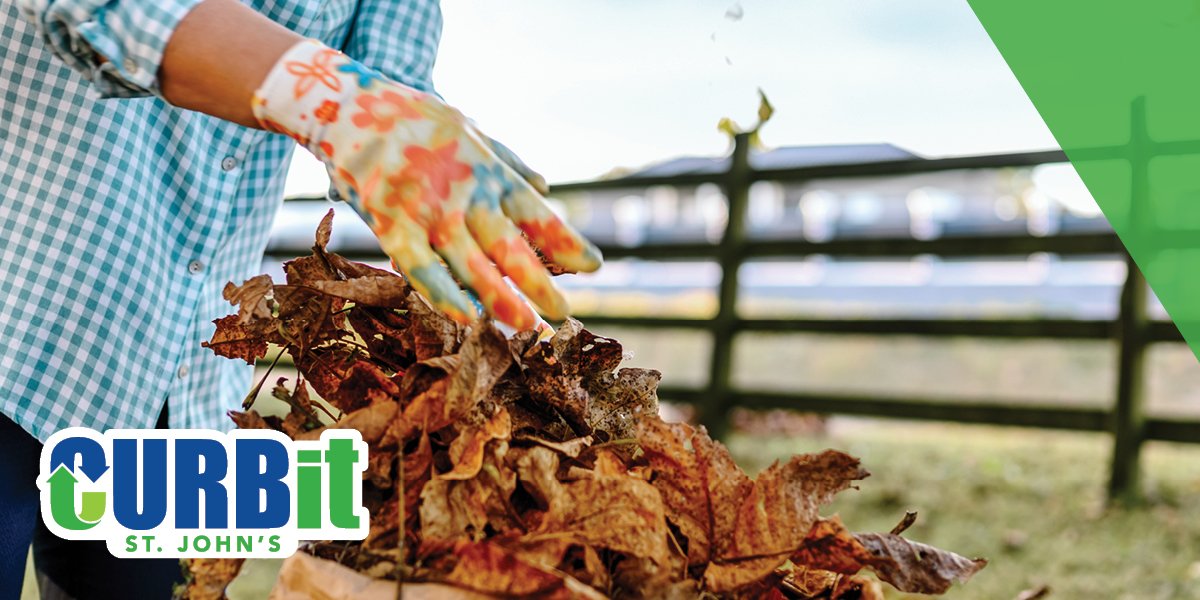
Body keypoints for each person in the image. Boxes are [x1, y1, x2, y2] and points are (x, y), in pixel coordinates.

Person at [0, 0, 601, 595]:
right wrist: (329, 96)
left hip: (178, 377)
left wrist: (412, 150)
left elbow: (392, 88)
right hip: (25, 316)